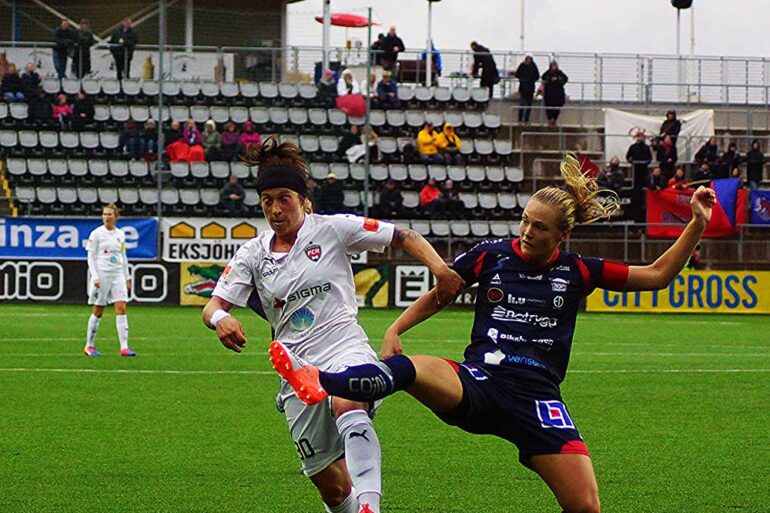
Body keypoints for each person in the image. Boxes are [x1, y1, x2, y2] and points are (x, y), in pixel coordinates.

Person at [270, 153, 717, 513]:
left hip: (538, 399)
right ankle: (320, 382)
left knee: (585, 505)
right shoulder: (492, 255)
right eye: (524, 220)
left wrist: (696, 223)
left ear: (561, 234)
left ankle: (328, 384)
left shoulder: (579, 270)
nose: (525, 232)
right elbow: (444, 288)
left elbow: (657, 274)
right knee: (407, 368)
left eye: (538, 227)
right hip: (480, 383)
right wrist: (397, 326)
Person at [202, 137, 464, 513]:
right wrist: (222, 319)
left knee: (348, 400)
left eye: (284, 198)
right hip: (296, 369)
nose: (275, 209)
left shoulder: (333, 229)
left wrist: (440, 268)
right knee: (332, 488)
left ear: (302, 199)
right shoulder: (253, 252)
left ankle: (371, 507)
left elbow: (402, 235)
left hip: (345, 348)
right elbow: (213, 305)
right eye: (267, 200)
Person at [84, 203, 136, 358]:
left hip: (117, 274)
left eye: (109, 214)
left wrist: (127, 277)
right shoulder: (96, 234)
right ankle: (89, 345)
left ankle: (124, 347)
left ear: (115, 217)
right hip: (102, 274)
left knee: (121, 308)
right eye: (104, 214)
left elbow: (123, 257)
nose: (106, 217)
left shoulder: (120, 234)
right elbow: (91, 257)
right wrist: (95, 276)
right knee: (98, 310)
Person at [625, 131, 653, 222]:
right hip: (636, 168)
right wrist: (632, 161)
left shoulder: (646, 147)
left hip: (644, 168)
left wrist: (646, 162)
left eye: (642, 137)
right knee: (636, 184)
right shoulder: (633, 147)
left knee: (643, 182)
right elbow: (628, 157)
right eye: (639, 137)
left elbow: (650, 158)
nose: (640, 138)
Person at [540, 60, 568, 126]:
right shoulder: (547, 73)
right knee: (548, 107)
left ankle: (554, 119)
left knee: (557, 107)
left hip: (558, 93)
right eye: (552, 65)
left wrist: (559, 80)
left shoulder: (559, 73)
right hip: (549, 93)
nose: (554, 67)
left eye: (555, 65)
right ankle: (550, 120)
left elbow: (565, 79)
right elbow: (543, 78)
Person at [513, 53, 540, 123]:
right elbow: (517, 74)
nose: (529, 60)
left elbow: (537, 76)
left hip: (530, 88)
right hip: (523, 88)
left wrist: (531, 80)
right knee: (522, 104)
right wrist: (523, 79)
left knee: (529, 104)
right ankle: (520, 118)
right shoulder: (522, 65)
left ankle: (526, 119)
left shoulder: (534, 66)